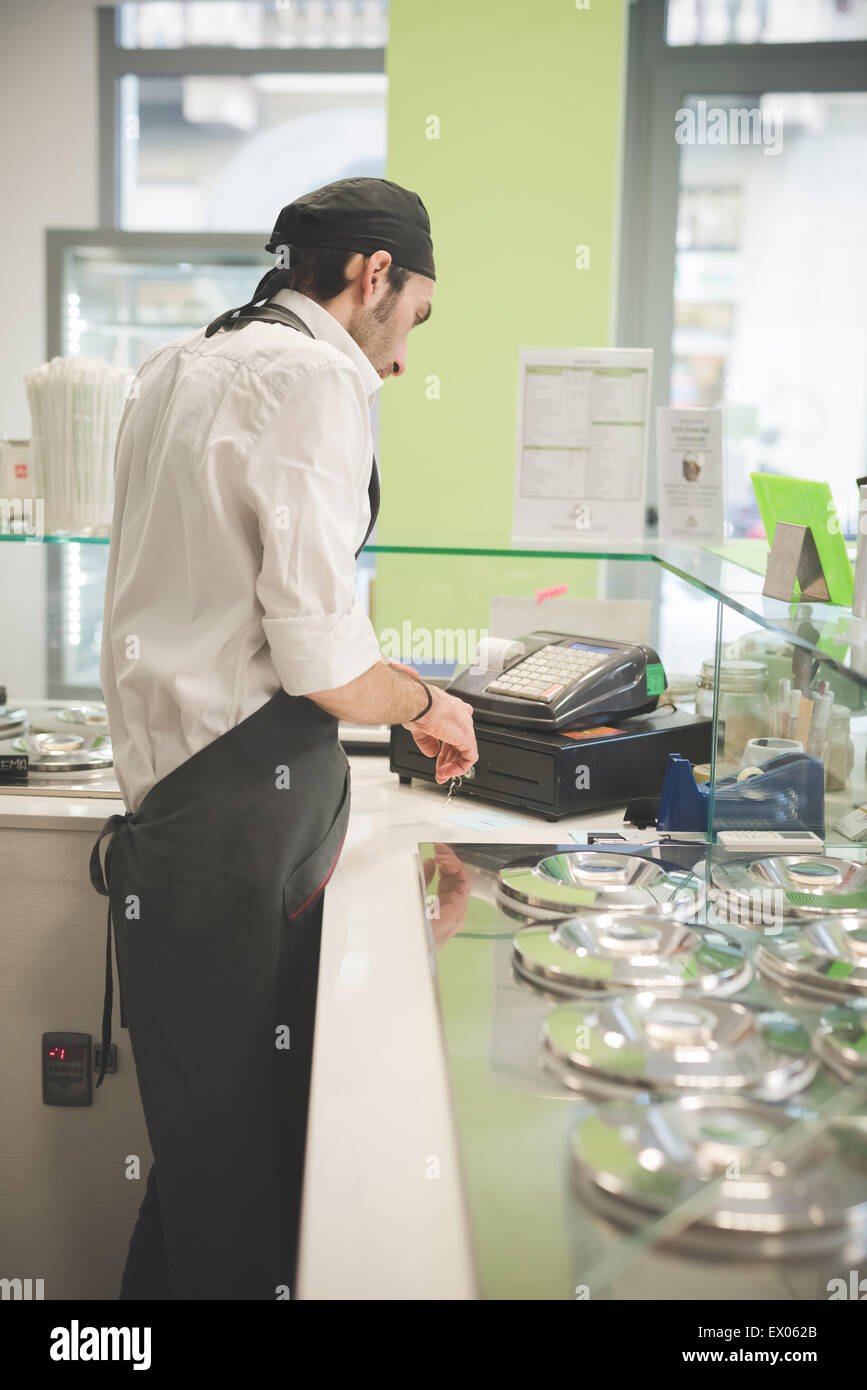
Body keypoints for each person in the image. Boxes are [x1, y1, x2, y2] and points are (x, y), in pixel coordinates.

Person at [90, 177, 478, 1300]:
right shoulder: (315, 378)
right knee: (242, 1192)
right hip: (229, 847)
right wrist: (425, 701)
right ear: (372, 278)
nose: (402, 357)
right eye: (414, 318)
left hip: (173, 827)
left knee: (203, 1165)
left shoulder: (181, 361)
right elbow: (322, 665)